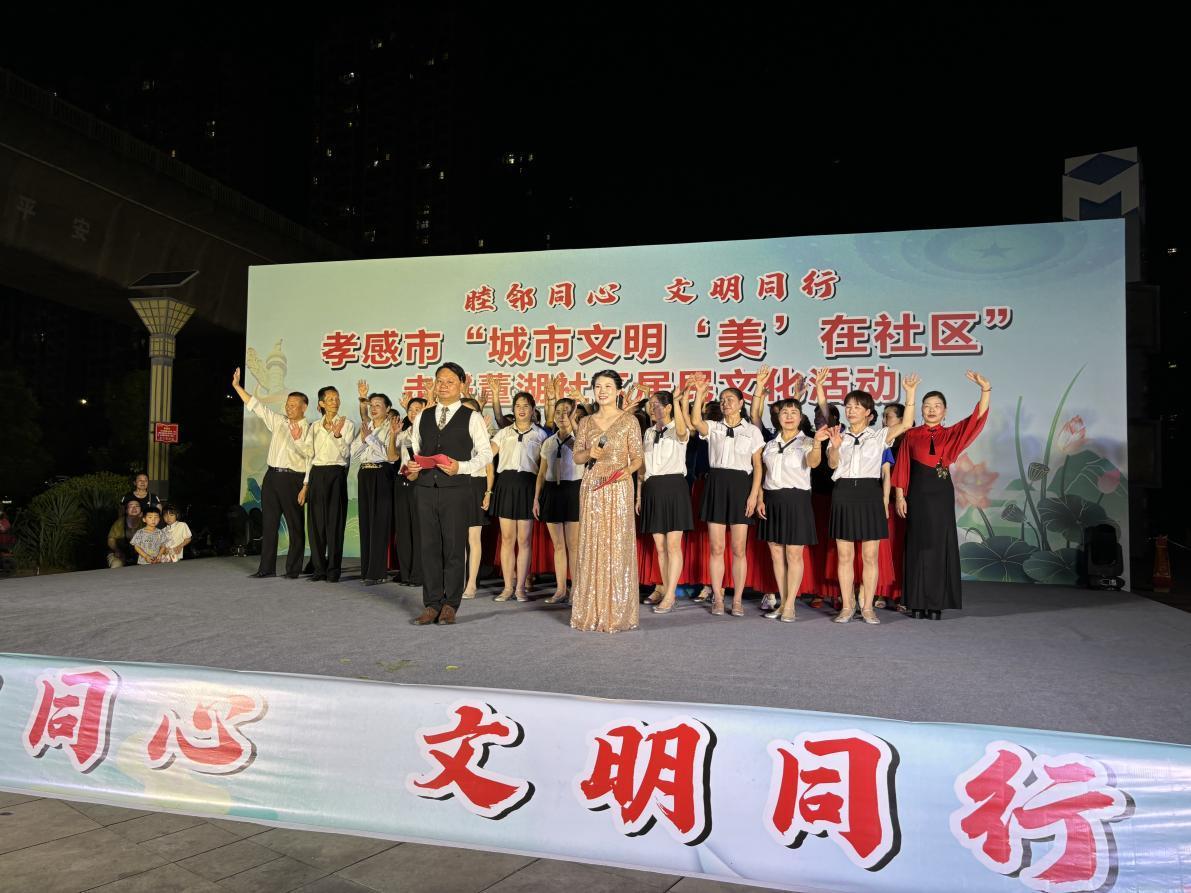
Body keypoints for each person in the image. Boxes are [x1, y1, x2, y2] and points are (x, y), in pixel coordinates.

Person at [893, 371, 991, 619]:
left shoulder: (951, 434)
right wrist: (900, 496)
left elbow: (976, 419)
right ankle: (916, 602)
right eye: (927, 406)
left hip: (941, 494)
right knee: (917, 545)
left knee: (939, 544)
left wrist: (985, 390)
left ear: (945, 411)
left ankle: (936, 603)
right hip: (916, 494)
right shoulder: (911, 435)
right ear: (921, 410)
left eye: (937, 406)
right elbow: (902, 465)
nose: (931, 410)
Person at [402, 362, 494, 625]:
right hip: (425, 490)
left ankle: (450, 604)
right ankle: (431, 604)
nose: (443, 386)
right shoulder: (423, 415)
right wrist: (411, 467)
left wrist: (461, 467)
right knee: (428, 547)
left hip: (456, 490)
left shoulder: (472, 417)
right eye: (439, 381)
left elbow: (486, 454)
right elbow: (416, 450)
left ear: (462, 385)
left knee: (454, 548)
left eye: (450, 381)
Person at [823, 371, 918, 624]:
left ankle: (867, 607)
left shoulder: (879, 436)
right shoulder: (838, 435)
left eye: (857, 406)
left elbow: (907, 423)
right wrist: (834, 447)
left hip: (870, 494)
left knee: (870, 556)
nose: (851, 410)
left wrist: (910, 394)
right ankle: (847, 606)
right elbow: (832, 465)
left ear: (868, 412)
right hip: (843, 493)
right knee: (844, 556)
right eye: (848, 406)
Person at [571, 370, 645, 633]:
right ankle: (590, 611)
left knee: (616, 545)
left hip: (618, 485)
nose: (602, 391)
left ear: (618, 391)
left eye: (607, 386)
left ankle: (617, 612)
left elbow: (638, 457)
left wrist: (627, 471)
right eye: (598, 386)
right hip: (592, 485)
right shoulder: (585, 422)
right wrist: (588, 452)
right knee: (592, 544)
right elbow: (577, 457)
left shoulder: (629, 421)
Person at [690, 374, 765, 617]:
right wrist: (699, 393)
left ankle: (738, 600)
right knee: (716, 547)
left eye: (730, 399)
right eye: (722, 400)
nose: (725, 403)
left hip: (741, 486)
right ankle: (718, 598)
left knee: (739, 548)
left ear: (741, 403)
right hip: (716, 485)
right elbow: (695, 421)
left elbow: (758, 466)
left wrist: (754, 496)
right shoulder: (714, 427)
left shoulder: (752, 431)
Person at [232, 368, 311, 578]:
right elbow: (256, 405)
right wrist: (237, 387)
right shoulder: (278, 421)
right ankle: (266, 568)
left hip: (293, 479)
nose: (289, 408)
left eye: (293, 405)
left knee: (295, 525)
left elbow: (310, 458)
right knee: (269, 524)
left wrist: (305, 485)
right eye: (287, 404)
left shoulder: (310, 429)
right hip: (272, 477)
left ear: (304, 407)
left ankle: (293, 569)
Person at [637, 387, 693, 614]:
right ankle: (666, 588)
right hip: (652, 488)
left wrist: (678, 402)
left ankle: (670, 594)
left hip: (674, 487)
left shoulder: (678, 428)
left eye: (656, 405)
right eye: (650, 405)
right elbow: (642, 466)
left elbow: (681, 431)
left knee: (672, 545)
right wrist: (639, 494)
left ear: (668, 407)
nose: (652, 408)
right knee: (660, 547)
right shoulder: (649, 433)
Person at [489, 391, 548, 601]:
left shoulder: (541, 435)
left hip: (528, 486)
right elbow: (487, 454)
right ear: (513, 410)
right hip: (505, 484)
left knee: (524, 540)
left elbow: (544, 469)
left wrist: (538, 496)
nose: (521, 410)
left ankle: (521, 587)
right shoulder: (504, 433)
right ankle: (507, 587)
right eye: (518, 406)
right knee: (507, 539)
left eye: (526, 406)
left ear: (533, 410)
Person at [534, 395, 583, 604]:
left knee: (574, 545)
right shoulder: (548, 442)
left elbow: (585, 453)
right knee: (559, 546)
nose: (562, 416)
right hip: (552, 492)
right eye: (559, 412)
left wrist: (574, 425)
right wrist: (536, 499)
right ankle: (561, 589)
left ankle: (577, 591)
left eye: (567, 412)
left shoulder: (580, 439)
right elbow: (541, 473)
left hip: (573, 491)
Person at [304, 386, 355, 582]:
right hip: (317, 474)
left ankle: (333, 570)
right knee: (316, 524)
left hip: (336, 473)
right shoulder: (315, 426)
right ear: (322, 404)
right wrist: (306, 483)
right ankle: (319, 569)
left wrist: (337, 435)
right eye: (331, 399)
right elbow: (309, 456)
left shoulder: (347, 424)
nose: (335, 401)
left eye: (337, 398)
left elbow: (347, 454)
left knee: (335, 523)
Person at [352, 387, 399, 585]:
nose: (373, 408)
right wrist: (365, 440)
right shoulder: (366, 426)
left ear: (388, 409)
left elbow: (388, 456)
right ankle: (366, 569)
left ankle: (378, 572)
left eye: (378, 405)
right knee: (366, 522)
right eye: (371, 405)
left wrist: (370, 439)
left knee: (379, 523)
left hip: (382, 474)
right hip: (364, 474)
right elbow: (353, 453)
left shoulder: (392, 427)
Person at [459, 395, 493, 599]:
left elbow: (489, 468)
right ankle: (458, 581)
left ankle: (471, 584)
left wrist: (488, 492)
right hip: (456, 486)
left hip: (476, 486)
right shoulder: (453, 434)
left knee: (473, 538)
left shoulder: (483, 436)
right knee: (457, 539)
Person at [392, 394, 428, 586]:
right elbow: (392, 456)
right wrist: (393, 434)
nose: (413, 413)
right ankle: (405, 573)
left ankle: (418, 574)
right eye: (410, 410)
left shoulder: (428, 433)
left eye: (418, 410)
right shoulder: (404, 433)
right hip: (403, 481)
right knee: (403, 530)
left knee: (419, 530)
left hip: (420, 483)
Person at [106, 500, 143, 567]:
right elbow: (111, 540)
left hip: (140, 554)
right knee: (116, 564)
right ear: (126, 510)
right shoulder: (119, 523)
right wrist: (117, 550)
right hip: (119, 553)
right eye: (131, 506)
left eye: (137, 506)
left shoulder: (145, 522)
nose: (134, 508)